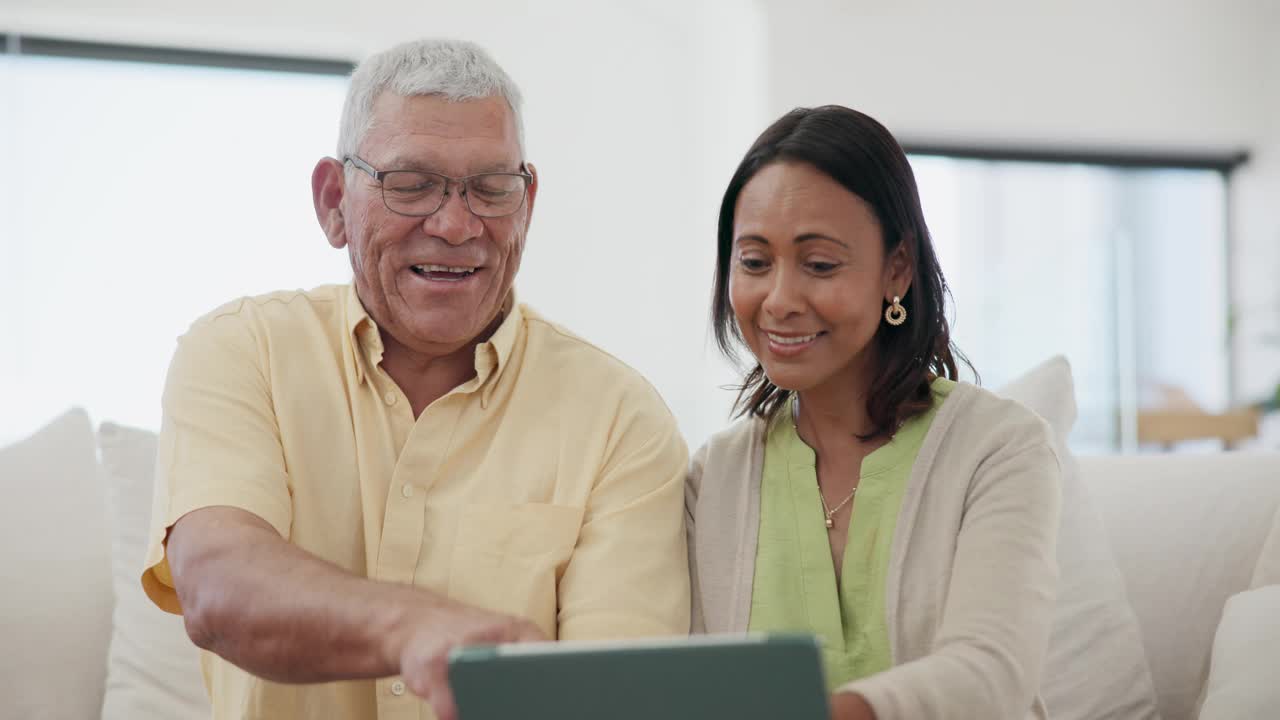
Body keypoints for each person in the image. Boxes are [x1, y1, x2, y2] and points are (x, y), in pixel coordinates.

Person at [142, 38, 690, 720]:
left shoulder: (620, 417)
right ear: (334, 201)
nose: (457, 225)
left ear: (528, 202)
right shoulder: (242, 351)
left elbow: (616, 698)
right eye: (411, 185)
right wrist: (420, 630)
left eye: (492, 188)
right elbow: (219, 589)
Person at [686, 105, 1062, 720]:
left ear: (897, 268)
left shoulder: (999, 448)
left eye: (820, 264)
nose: (779, 300)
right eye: (754, 262)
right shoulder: (715, 477)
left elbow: (993, 673)